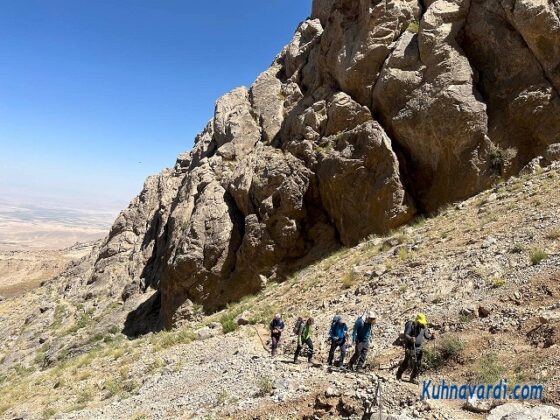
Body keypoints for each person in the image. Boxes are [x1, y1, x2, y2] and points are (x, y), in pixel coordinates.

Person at [396, 313, 435, 385]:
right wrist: (411, 338)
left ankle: (413, 377)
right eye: (420, 323)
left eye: (422, 323)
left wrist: (431, 337)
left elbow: (427, 336)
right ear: (417, 321)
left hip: (419, 347)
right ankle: (398, 375)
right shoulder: (411, 325)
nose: (421, 324)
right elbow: (406, 334)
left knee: (418, 363)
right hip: (410, 346)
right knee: (407, 362)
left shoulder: (424, 327)